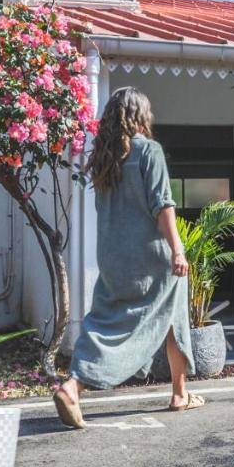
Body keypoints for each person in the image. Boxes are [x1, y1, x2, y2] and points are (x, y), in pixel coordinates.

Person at [53, 87, 202, 429]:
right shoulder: (149, 151)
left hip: (112, 256)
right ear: (141, 115)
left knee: (105, 320)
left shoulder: (105, 157)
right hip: (152, 258)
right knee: (173, 317)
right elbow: (163, 205)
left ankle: (74, 384)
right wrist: (178, 250)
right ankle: (179, 394)